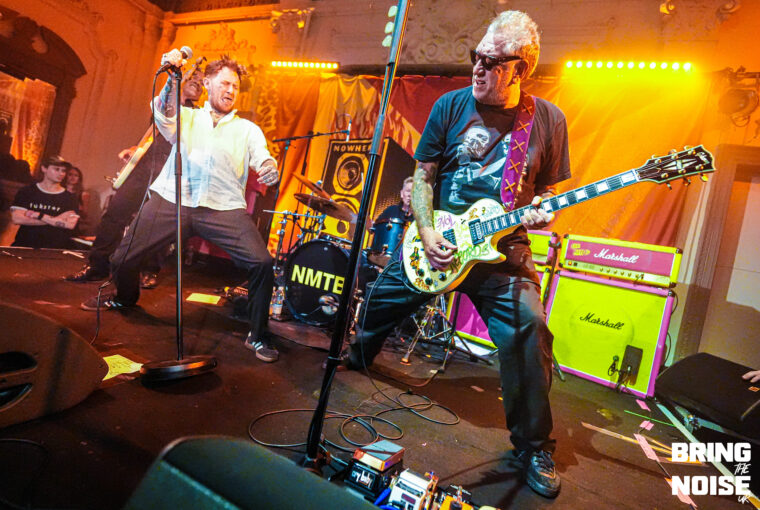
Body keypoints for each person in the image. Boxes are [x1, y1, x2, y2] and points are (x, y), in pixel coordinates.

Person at [337, 11, 570, 498]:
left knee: (530, 327)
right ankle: (357, 356)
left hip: (503, 250)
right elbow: (422, 176)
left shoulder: (548, 120)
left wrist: (544, 212)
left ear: (521, 68)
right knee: (380, 300)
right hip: (440, 238)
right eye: (475, 56)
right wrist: (425, 230)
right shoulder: (450, 105)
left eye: (491, 61)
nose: (477, 68)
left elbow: (549, 192)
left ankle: (533, 446)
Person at [80, 53, 281, 363]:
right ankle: (124, 298)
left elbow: (262, 156)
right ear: (208, 83)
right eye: (225, 83)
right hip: (171, 199)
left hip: (223, 207)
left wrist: (269, 166)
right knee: (121, 257)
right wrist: (172, 77)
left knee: (262, 263)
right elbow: (163, 112)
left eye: (235, 86)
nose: (230, 90)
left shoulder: (247, 129)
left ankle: (257, 334)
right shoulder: (187, 117)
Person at [64, 65, 205, 289]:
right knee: (115, 213)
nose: (198, 83)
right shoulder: (162, 105)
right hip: (144, 167)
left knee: (157, 224)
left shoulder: (197, 116)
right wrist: (135, 150)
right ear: (181, 79)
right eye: (194, 77)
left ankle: (149, 270)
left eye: (202, 82)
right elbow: (152, 139)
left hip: (169, 172)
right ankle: (97, 266)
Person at [10, 155, 80, 248]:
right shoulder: (27, 191)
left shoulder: (70, 197)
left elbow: (70, 224)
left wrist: (40, 216)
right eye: (56, 169)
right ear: (44, 168)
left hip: (53, 248)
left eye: (63, 171)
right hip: (24, 245)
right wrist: (56, 219)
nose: (61, 173)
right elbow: (17, 219)